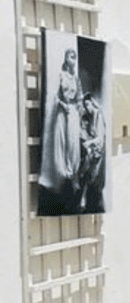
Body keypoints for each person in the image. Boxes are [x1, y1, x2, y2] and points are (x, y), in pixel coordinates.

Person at [38, 46, 82, 214]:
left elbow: (79, 97)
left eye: (75, 57)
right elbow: (55, 96)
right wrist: (63, 105)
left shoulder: (76, 79)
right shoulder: (61, 76)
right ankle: (62, 177)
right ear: (66, 59)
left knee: (73, 146)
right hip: (62, 113)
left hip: (73, 114)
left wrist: (76, 107)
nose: (73, 59)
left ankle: (73, 176)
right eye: (71, 56)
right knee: (61, 143)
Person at [78, 87, 107, 213]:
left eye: (88, 104)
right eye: (85, 106)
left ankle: (84, 198)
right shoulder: (88, 117)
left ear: (92, 103)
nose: (87, 108)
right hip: (91, 148)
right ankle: (82, 197)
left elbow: (100, 138)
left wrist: (89, 143)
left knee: (88, 169)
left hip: (98, 150)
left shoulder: (98, 116)